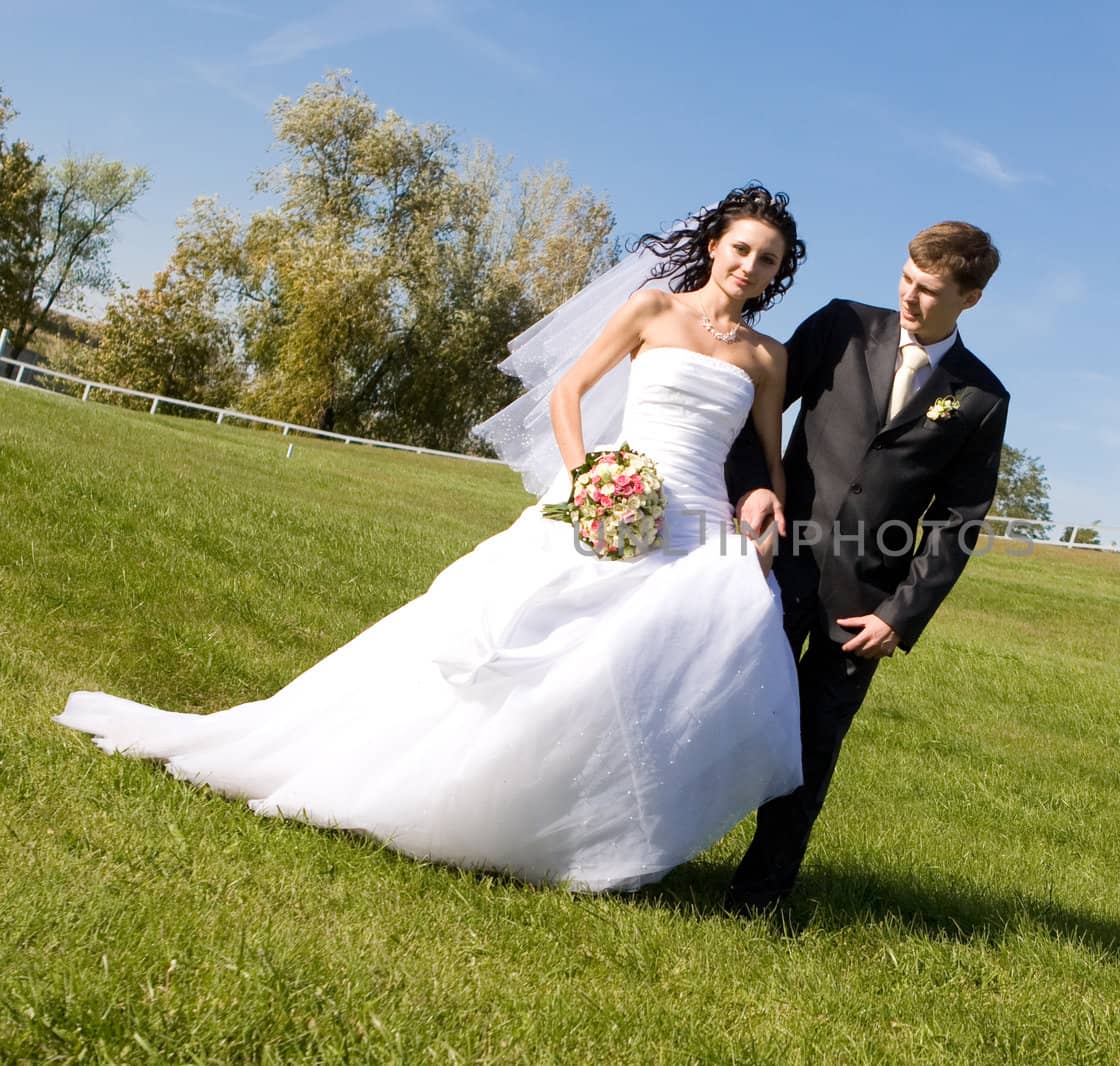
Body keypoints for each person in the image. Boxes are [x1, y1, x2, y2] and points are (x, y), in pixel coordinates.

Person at [56, 183, 808, 893]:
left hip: (697, 523)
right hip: (614, 496)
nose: (749, 267)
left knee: (663, 665)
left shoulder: (766, 358)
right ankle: (445, 793)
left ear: (778, 272)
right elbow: (570, 391)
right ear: (715, 244)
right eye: (741, 248)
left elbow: (766, 460)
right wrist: (588, 482)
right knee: (524, 644)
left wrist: (766, 502)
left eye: (766, 259)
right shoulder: (652, 310)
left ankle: (588, 828)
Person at [722, 221, 1008, 912]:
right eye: (907, 280)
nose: (910, 298)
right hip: (773, 564)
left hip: (866, 603)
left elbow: (956, 525)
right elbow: (750, 411)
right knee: (722, 710)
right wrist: (751, 491)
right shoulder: (840, 327)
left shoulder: (981, 398)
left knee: (815, 745)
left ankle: (760, 896)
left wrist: (899, 616)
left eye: (931, 291)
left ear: (969, 298)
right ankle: (658, 851)